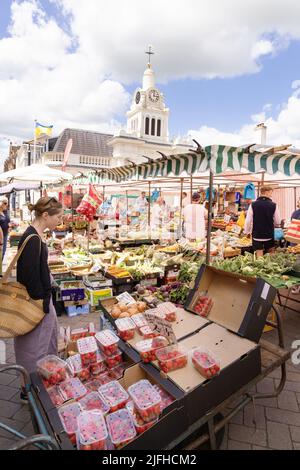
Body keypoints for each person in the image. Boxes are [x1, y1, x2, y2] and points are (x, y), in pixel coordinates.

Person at [14, 197, 63, 403]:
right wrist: (43, 301)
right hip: (36, 305)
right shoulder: (33, 239)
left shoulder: (34, 235)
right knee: (36, 348)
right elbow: (29, 276)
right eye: (58, 217)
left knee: (35, 346)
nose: (60, 221)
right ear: (45, 215)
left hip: (36, 304)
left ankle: (33, 386)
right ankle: (32, 390)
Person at [244, 186, 281, 257]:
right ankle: (270, 267)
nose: (271, 195)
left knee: (259, 255)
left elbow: (248, 221)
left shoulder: (253, 205)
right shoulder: (273, 205)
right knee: (271, 253)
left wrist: (247, 231)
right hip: (269, 234)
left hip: (257, 235)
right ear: (266, 192)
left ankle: (261, 266)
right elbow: (278, 221)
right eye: (271, 193)